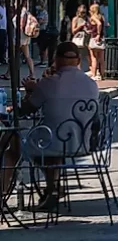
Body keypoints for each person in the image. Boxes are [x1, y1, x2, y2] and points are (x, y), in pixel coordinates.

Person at [18, 41, 100, 212]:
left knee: (20, 146)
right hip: (82, 143)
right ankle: (52, 189)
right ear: (78, 61)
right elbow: (96, 121)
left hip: (54, 143)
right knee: (52, 140)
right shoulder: (92, 84)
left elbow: (26, 110)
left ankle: (52, 188)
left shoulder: (49, 83)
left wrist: (32, 90)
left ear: (56, 60)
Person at [84, 3, 105, 82]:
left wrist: (98, 34)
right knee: (101, 58)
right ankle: (102, 75)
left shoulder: (93, 17)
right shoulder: (102, 17)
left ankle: (94, 74)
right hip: (101, 39)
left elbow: (98, 24)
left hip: (94, 38)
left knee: (94, 58)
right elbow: (103, 24)